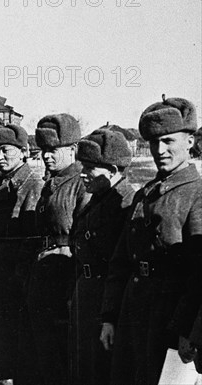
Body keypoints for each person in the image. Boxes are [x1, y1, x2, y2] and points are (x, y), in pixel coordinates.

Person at [99, 96, 202, 385]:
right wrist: (109, 317)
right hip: (133, 312)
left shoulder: (196, 193)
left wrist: (187, 329)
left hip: (170, 318)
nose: (160, 150)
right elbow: (122, 261)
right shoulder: (145, 194)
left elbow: (199, 273)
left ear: (190, 142)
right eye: (154, 142)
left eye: (168, 141)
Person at [28, 113, 90, 385]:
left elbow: (83, 237)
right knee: (44, 354)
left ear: (72, 150)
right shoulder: (49, 186)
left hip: (66, 276)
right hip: (44, 276)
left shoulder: (80, 184)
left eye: (53, 151)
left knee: (64, 353)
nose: (46, 157)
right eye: (43, 151)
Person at [69, 129, 135, 385]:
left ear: (114, 170)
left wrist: (110, 314)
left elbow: (120, 263)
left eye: (91, 168)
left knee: (101, 370)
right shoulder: (97, 199)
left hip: (106, 300)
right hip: (87, 295)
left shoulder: (123, 202)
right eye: (82, 166)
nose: (83, 173)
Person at [0, 125, 43, 385]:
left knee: (15, 344)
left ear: (23, 152)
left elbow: (30, 236)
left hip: (17, 275)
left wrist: (19, 276)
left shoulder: (31, 185)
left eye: (5, 150)